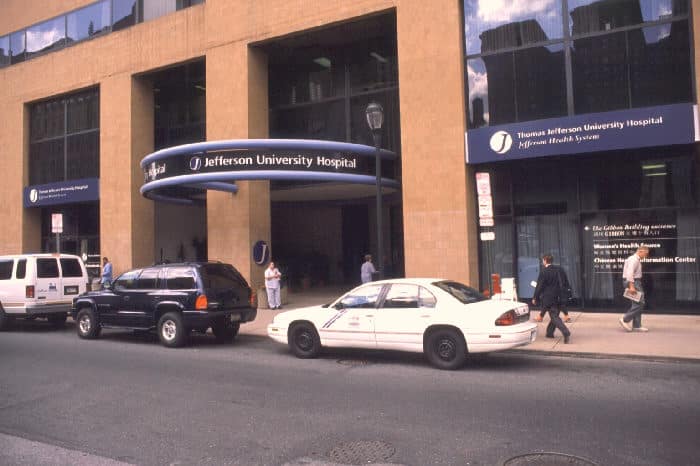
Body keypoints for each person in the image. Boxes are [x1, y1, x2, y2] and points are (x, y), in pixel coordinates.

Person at [532, 254, 571, 344]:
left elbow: (539, 286)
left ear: (545, 260)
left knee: (554, 316)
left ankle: (566, 332)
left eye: (543, 260)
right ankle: (549, 333)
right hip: (560, 296)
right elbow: (565, 281)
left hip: (549, 297)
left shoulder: (544, 271)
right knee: (555, 315)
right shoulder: (559, 269)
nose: (542, 262)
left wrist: (535, 297)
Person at [619, 246, 650, 332]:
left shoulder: (634, 259)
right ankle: (625, 319)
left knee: (637, 303)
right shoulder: (634, 259)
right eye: (646, 254)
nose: (646, 256)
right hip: (633, 282)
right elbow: (630, 273)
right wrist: (632, 286)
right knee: (640, 303)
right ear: (640, 251)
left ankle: (637, 325)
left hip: (635, 282)